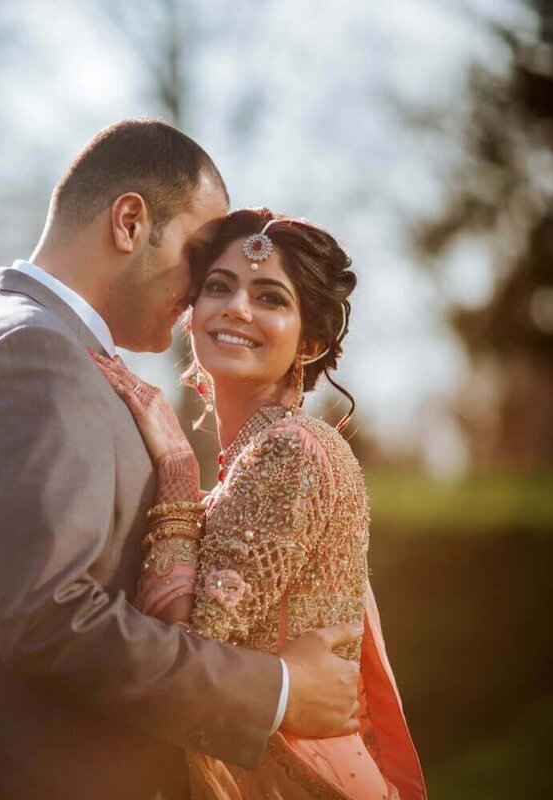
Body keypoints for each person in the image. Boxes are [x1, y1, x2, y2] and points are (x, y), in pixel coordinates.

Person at [0, 120, 363, 800]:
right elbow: (52, 619)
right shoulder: (32, 356)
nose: (201, 292)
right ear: (131, 222)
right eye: (201, 261)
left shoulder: (4, 339)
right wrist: (281, 690)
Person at [92, 208, 427, 799]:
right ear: (192, 309)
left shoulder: (289, 452)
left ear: (312, 340)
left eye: (270, 298)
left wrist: (174, 473)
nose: (237, 308)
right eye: (219, 287)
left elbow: (192, 657)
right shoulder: (269, 453)